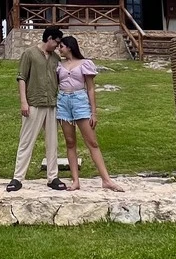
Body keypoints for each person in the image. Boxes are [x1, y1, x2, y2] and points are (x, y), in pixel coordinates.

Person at [55, 36, 124, 192]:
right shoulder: (59, 65)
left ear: (70, 47)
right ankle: (75, 181)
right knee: (70, 142)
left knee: (92, 142)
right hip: (63, 101)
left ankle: (106, 180)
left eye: (62, 46)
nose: (59, 49)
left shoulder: (85, 64)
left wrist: (93, 112)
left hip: (80, 101)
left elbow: (91, 88)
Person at [7, 27, 67, 192]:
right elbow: (21, 77)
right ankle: (17, 178)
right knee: (26, 141)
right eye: (56, 42)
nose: (57, 46)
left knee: (52, 143)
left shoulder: (56, 58)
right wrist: (23, 102)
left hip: (52, 105)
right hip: (33, 103)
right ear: (49, 38)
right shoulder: (29, 54)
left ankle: (53, 177)